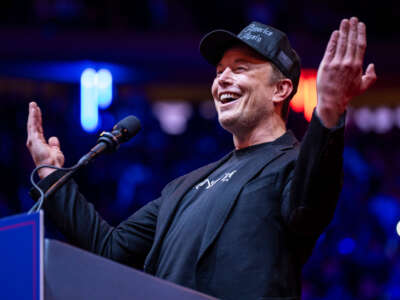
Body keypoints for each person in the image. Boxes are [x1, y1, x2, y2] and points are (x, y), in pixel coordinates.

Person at [27, 18, 376, 300]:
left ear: (281, 89)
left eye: (240, 68)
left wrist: (329, 110)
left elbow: (308, 206)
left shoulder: (295, 165)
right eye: (219, 70)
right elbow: (110, 248)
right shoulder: (183, 186)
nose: (222, 77)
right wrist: (51, 174)